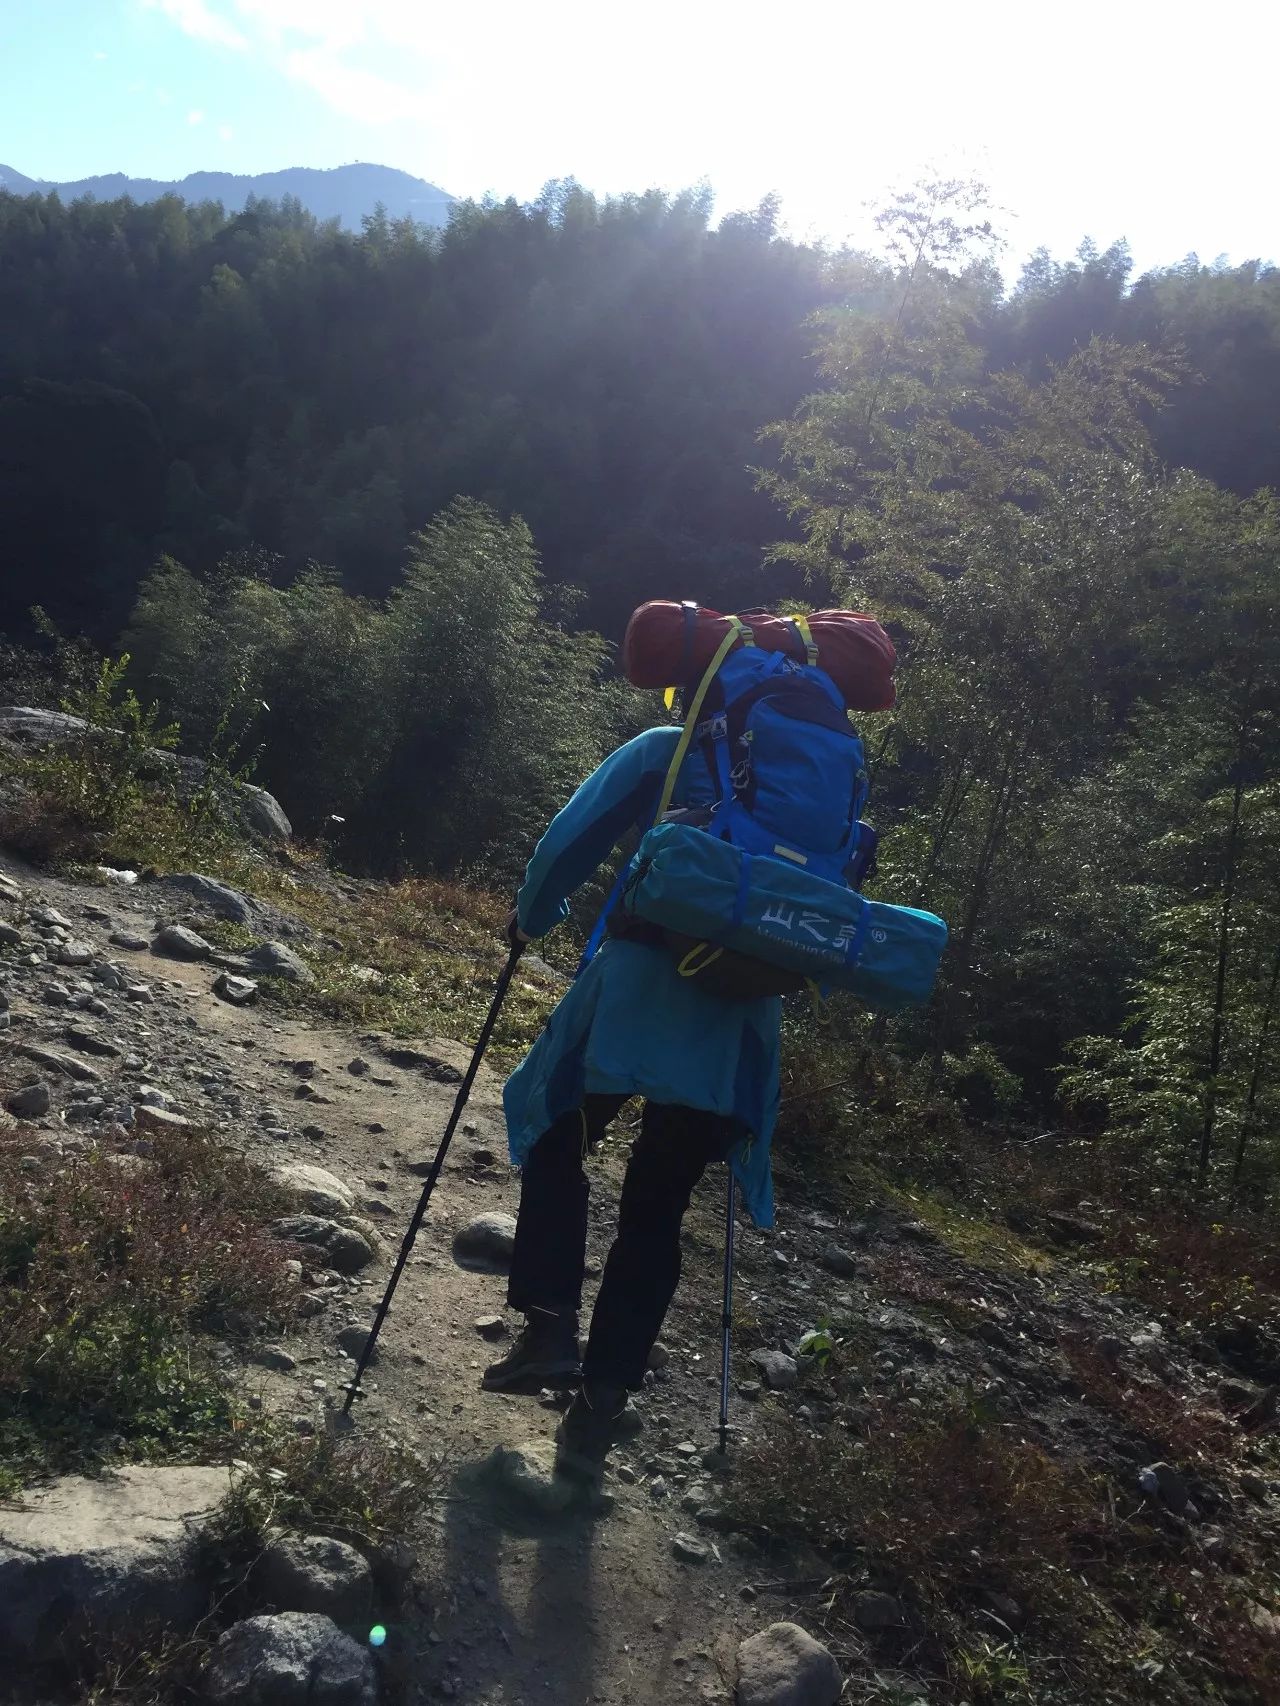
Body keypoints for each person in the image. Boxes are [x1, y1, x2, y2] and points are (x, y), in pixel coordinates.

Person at [482, 719, 783, 1473]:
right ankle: (606, 1395)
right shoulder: (815, 791)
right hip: (737, 1024)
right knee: (658, 1208)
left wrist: (533, 914)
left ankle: (550, 1330)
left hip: (634, 992)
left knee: (557, 1131)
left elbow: (571, 835)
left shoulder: (670, 748)